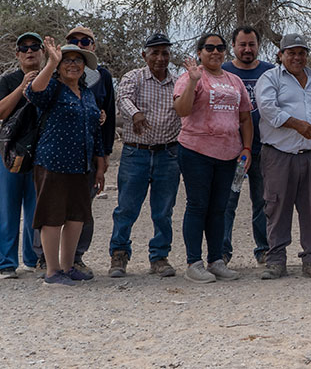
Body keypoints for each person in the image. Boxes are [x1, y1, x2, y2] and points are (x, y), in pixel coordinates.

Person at [173, 33, 254, 283]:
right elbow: (182, 110)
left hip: (228, 154)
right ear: (200, 52)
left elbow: (245, 117)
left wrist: (247, 148)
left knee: (220, 208)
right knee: (198, 205)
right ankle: (194, 263)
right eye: (209, 48)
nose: (215, 52)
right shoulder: (190, 77)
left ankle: (216, 260)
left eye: (220, 48)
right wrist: (192, 82)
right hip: (196, 151)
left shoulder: (234, 80)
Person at [26, 38, 108, 286]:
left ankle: (68, 266)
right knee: (52, 216)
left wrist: (100, 166)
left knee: (76, 216)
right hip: (53, 163)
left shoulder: (87, 94)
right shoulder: (52, 88)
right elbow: (33, 92)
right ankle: (52, 271)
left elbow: (95, 131)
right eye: (67, 60)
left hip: (81, 166)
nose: (73, 65)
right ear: (60, 66)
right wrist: (51, 62)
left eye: (78, 61)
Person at [253, 33, 311, 280]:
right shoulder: (270, 78)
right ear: (281, 55)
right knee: (276, 206)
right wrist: (297, 124)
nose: (297, 57)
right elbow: (268, 110)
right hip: (279, 154)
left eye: (302, 53)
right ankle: (276, 260)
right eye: (291, 53)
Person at [108, 32, 181, 278]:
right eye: (155, 53)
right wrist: (136, 114)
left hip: (168, 154)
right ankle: (119, 254)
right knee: (126, 208)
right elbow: (123, 99)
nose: (160, 58)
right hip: (135, 153)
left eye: (165, 53)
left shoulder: (178, 82)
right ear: (144, 55)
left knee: (163, 210)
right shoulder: (134, 77)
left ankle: (159, 256)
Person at [62, 25, 117, 277]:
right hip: (57, 153)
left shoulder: (102, 77)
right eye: (74, 41)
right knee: (53, 207)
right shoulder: (54, 77)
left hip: (90, 153)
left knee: (83, 207)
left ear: (93, 47)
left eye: (85, 41)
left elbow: (109, 116)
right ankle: (46, 259)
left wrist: (104, 157)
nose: (79, 45)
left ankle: (76, 257)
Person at [0, 31, 43, 278]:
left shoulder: (52, 79)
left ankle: (34, 258)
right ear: (17, 54)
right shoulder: (9, 80)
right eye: (24, 48)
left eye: (34, 47)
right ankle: (6, 263)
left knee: (37, 207)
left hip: (41, 151)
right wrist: (22, 88)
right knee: (5, 206)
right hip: (10, 151)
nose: (29, 51)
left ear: (43, 52)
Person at [221, 26, 276, 265]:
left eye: (251, 44)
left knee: (263, 202)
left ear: (258, 46)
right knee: (227, 202)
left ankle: (264, 249)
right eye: (242, 44)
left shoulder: (270, 72)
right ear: (233, 46)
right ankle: (221, 251)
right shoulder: (223, 71)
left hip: (263, 148)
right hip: (232, 150)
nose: (247, 49)